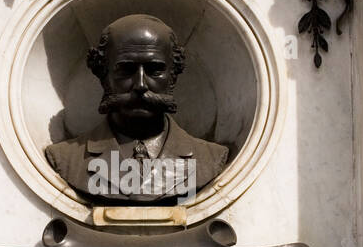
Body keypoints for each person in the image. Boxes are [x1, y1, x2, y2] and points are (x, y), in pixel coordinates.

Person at [45, 13, 228, 203]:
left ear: (173, 76)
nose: (140, 85)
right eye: (126, 70)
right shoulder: (67, 158)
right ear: (103, 75)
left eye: (154, 70)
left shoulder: (209, 158)